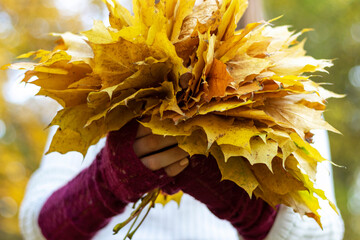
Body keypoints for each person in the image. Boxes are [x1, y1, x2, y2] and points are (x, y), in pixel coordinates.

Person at [18, 1, 345, 239]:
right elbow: (38, 225)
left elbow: (323, 231)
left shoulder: (282, 87)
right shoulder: (104, 77)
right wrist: (107, 182)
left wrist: (244, 204)